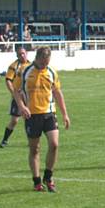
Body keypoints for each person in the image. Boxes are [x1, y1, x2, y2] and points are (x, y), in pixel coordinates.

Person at [13, 46, 71, 192]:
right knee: (35, 149)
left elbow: (57, 92)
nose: (45, 65)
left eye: (47, 62)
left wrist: (65, 114)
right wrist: (21, 106)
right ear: (37, 58)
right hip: (32, 115)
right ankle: (37, 181)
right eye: (43, 62)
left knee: (54, 144)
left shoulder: (51, 72)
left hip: (49, 113)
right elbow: (16, 91)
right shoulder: (25, 71)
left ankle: (49, 176)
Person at [0, 47, 31, 147]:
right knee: (14, 120)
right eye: (20, 54)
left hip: (28, 96)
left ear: (27, 53)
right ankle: (4, 140)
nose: (22, 55)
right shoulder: (14, 66)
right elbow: (8, 80)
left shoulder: (31, 65)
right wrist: (13, 92)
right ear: (17, 55)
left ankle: (31, 141)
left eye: (23, 53)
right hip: (18, 96)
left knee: (29, 119)